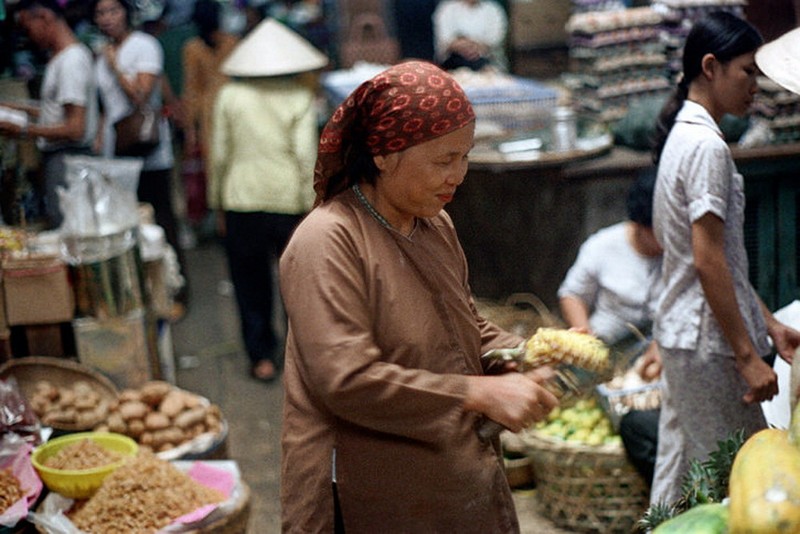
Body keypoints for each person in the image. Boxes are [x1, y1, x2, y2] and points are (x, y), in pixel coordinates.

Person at [279, 60, 559, 532]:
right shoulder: (328, 241)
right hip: (365, 488)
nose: (459, 175)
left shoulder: (434, 223)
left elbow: (462, 320)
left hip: (446, 469)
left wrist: (517, 354)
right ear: (384, 155)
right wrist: (476, 391)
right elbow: (346, 380)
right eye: (442, 160)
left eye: (465, 156)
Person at [649, 11, 800, 506]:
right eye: (747, 72)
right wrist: (747, 356)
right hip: (705, 343)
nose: (756, 86)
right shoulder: (706, 146)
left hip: (681, 335)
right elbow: (707, 259)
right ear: (710, 67)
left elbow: (722, 259)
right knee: (738, 478)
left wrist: (768, 324)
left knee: (677, 477)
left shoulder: (684, 133)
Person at [209, 18, 326, 383]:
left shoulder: (229, 96)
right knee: (299, 284)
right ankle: (304, 360)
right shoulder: (300, 96)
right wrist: (314, 202)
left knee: (250, 283)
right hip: (289, 201)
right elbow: (306, 156)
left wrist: (217, 202)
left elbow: (220, 154)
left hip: (241, 199)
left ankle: (262, 358)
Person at [558, 167, 663, 485]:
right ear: (638, 224)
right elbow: (571, 294)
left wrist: (663, 343)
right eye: (655, 232)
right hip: (610, 339)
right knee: (570, 379)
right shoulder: (604, 246)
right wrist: (584, 337)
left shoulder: (684, 249)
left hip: (661, 340)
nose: (664, 241)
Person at [91, 0, 188, 315]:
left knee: (161, 222)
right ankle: (145, 297)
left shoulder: (144, 46)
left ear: (126, 13)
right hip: (117, 154)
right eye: (101, 13)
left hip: (149, 153)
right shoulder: (103, 52)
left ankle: (177, 294)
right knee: (130, 224)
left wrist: (114, 65)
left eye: (113, 11)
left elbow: (140, 95)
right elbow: (107, 105)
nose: (107, 19)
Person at [0, 0, 98, 229]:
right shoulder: (61, 58)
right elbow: (54, 111)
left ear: (43, 17)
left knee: (71, 228)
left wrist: (22, 130)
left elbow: (75, 128)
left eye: (27, 28)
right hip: (61, 159)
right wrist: (14, 108)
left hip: (68, 160)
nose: (29, 36)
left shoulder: (71, 61)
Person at [181, 0, 238, 226]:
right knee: (232, 163)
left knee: (215, 168)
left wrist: (190, 130)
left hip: (209, 115)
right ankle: (231, 218)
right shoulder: (232, 42)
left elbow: (191, 90)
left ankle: (224, 222)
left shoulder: (192, 47)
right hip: (233, 109)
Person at [432, 0, 508, 71]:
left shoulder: (493, 10)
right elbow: (445, 40)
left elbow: (494, 40)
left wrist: (474, 46)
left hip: (486, 60)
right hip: (453, 61)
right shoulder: (447, 8)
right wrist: (463, 47)